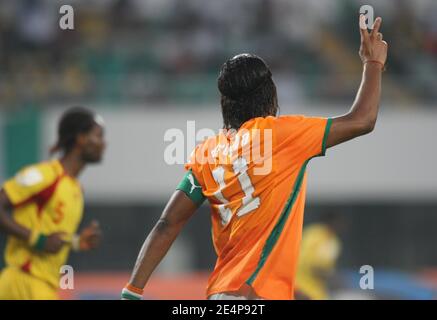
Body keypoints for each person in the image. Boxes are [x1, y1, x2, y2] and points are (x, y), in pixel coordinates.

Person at [121, 15, 387, 300]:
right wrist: (373, 63)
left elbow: (167, 223)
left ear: (225, 102)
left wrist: (132, 291)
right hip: (255, 295)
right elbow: (362, 120)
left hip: (221, 295)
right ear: (270, 93)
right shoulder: (282, 134)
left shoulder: (207, 152)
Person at [0, 107, 105, 299]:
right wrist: (37, 240)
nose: (103, 144)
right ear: (81, 139)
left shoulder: (76, 191)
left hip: (44, 287)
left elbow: (51, 236)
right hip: (23, 282)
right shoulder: (44, 176)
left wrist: (77, 242)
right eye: (98, 136)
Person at [295, 212, 345, 300]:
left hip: (316, 291)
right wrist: (331, 276)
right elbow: (309, 264)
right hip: (302, 289)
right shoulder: (315, 236)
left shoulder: (334, 241)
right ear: (332, 222)